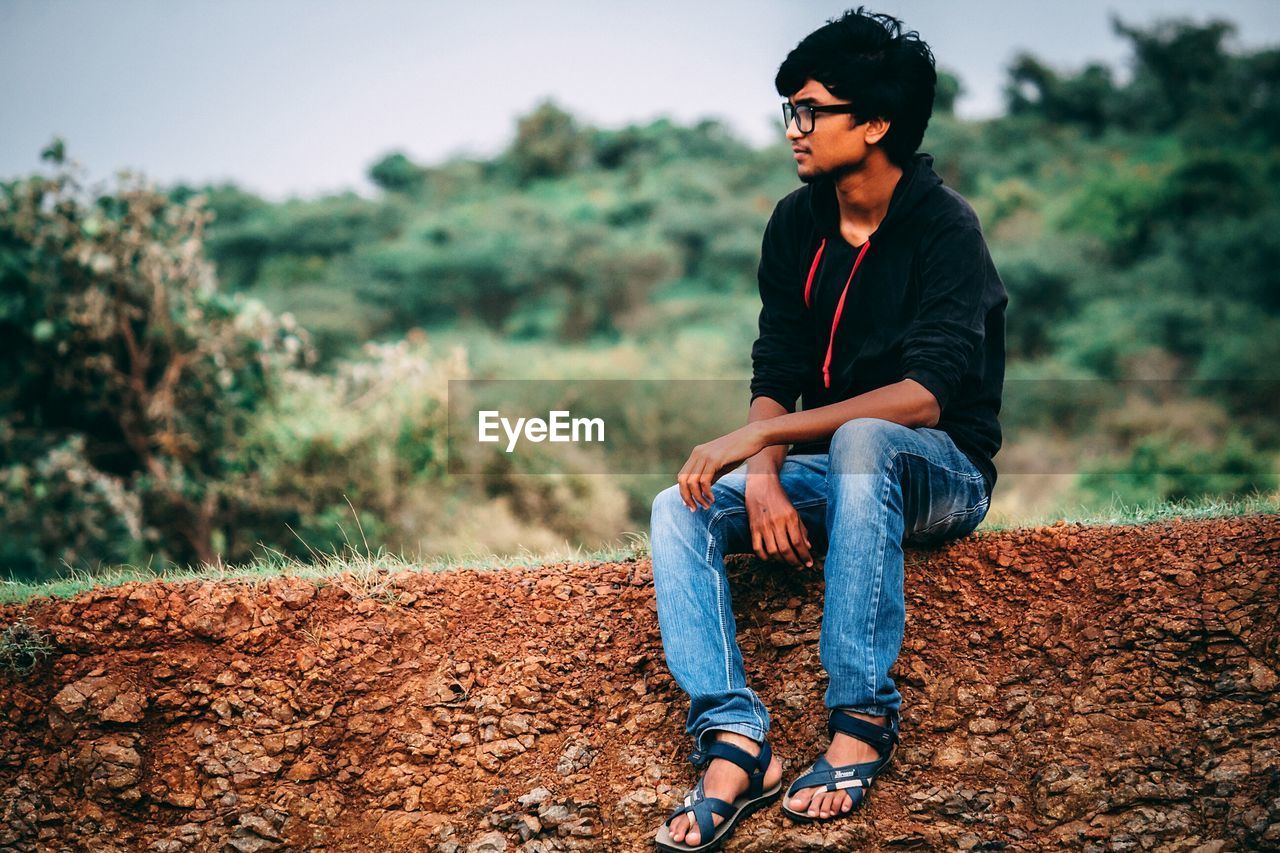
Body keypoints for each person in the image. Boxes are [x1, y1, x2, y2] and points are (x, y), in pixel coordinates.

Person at [650, 7, 1007, 850]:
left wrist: (757, 445)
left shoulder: (945, 229)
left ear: (876, 123)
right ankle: (737, 739)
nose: (795, 130)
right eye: (791, 110)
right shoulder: (796, 221)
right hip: (829, 466)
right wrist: (764, 471)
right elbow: (776, 370)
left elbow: (923, 395)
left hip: (940, 471)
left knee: (864, 438)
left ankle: (861, 718)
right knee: (680, 504)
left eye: (811, 111)